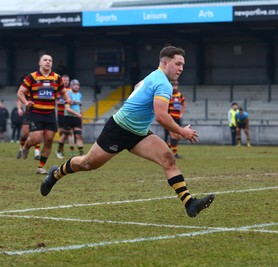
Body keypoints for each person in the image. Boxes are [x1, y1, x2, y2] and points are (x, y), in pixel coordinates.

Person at [40, 46, 214, 218]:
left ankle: (189, 203)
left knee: (168, 160)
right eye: (178, 64)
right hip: (118, 129)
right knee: (87, 164)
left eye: (182, 64)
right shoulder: (162, 83)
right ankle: (55, 174)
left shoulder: (154, 77)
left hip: (139, 133)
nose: (181, 68)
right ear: (165, 63)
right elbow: (161, 116)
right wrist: (182, 132)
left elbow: (139, 87)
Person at [17, 53, 72, 174]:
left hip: (50, 114)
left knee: (48, 140)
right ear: (40, 63)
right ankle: (26, 146)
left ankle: (40, 166)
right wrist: (26, 102)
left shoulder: (57, 78)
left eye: (50, 60)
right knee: (36, 138)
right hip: (36, 112)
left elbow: (63, 92)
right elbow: (20, 92)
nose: (48, 62)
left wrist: (67, 98)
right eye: (45, 60)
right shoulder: (31, 77)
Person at [165, 80, 186, 158]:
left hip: (177, 118)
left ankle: (164, 149)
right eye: (173, 86)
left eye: (176, 86)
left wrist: (181, 113)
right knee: (173, 136)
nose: (175, 87)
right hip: (170, 118)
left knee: (178, 137)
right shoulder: (168, 95)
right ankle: (174, 154)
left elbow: (183, 104)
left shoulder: (179, 95)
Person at [63, 79, 84, 156]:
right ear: (71, 86)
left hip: (77, 118)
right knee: (67, 135)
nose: (76, 86)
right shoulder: (68, 93)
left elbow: (79, 106)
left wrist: (81, 114)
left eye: (77, 85)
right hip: (69, 117)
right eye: (74, 85)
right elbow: (67, 108)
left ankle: (81, 153)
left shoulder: (79, 95)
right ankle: (61, 150)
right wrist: (77, 114)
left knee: (78, 135)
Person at [55, 74, 74, 159]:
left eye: (67, 80)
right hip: (60, 113)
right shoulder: (58, 90)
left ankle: (71, 151)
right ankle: (60, 150)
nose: (65, 81)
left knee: (69, 132)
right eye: (64, 80)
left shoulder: (70, 90)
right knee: (61, 133)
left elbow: (72, 101)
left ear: (69, 81)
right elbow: (56, 101)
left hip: (68, 114)